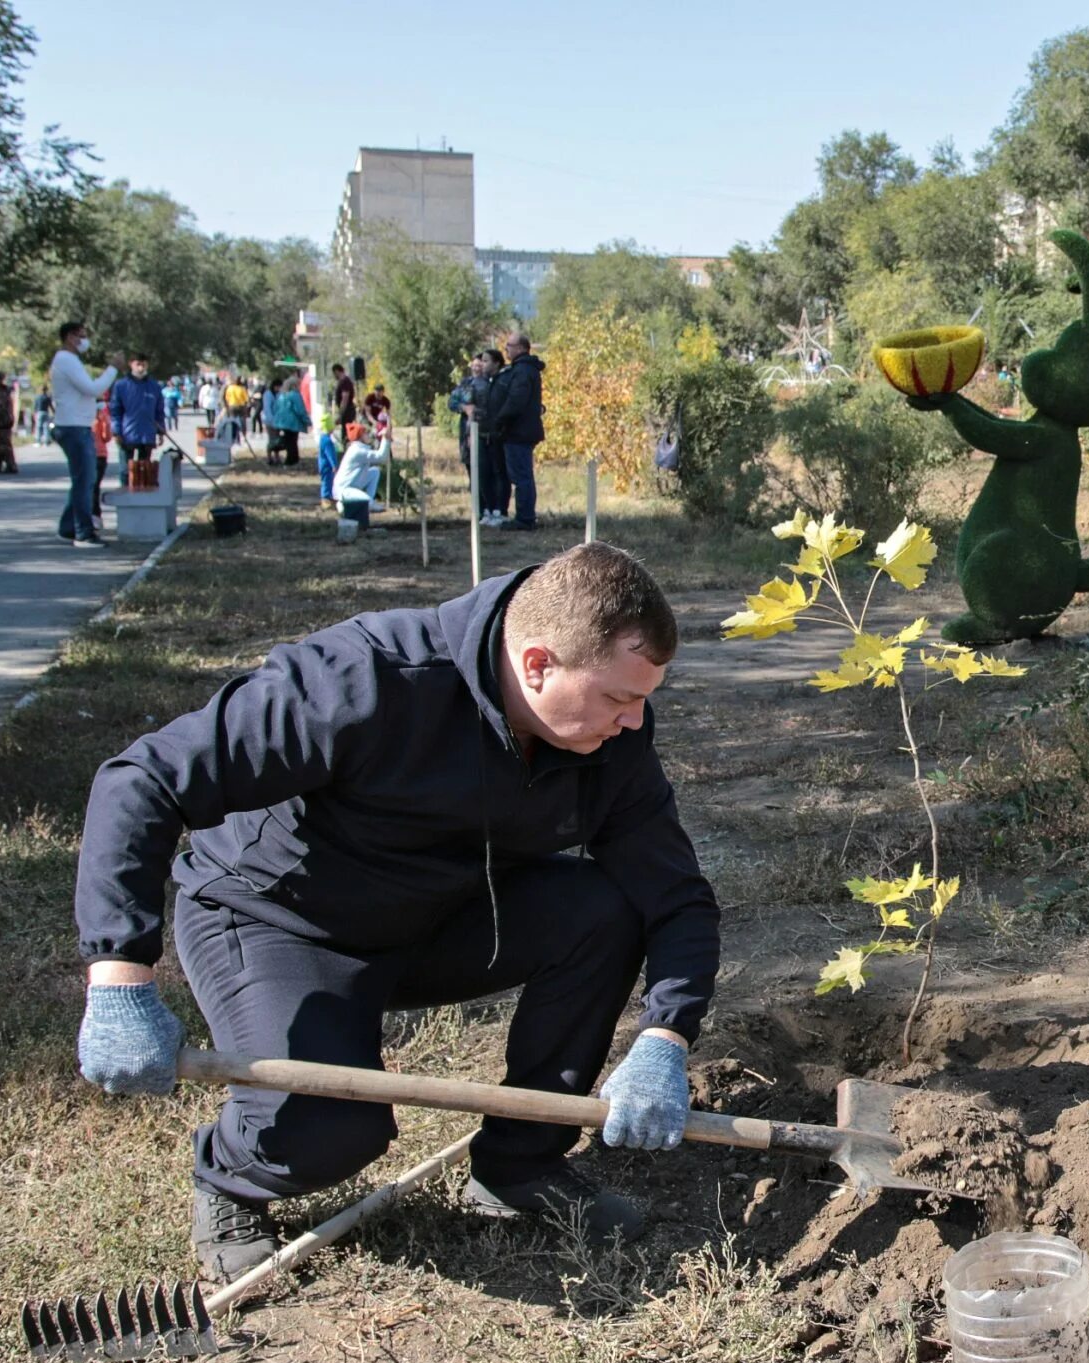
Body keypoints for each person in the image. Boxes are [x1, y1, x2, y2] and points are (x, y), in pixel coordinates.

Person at [73, 543, 719, 1281]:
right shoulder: (365, 679)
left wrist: (666, 1034)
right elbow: (142, 780)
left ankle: (519, 1164)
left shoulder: (612, 745)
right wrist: (119, 974)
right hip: (278, 920)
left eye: (645, 699)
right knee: (331, 1133)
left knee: (606, 910)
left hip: (439, 918)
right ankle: (230, 1175)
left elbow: (677, 897)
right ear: (538, 664)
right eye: (618, 699)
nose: (636, 722)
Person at [49, 321, 121, 547]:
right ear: (70, 337)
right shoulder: (66, 360)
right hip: (73, 427)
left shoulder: (69, 360)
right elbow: (93, 389)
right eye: (82, 335)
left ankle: (68, 527)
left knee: (83, 479)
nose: (85, 340)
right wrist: (113, 368)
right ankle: (83, 533)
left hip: (76, 425)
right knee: (86, 481)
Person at [485, 333, 545, 530]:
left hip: (519, 432)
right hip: (521, 431)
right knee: (521, 475)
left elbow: (516, 400)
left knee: (521, 477)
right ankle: (524, 515)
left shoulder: (523, 371)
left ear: (520, 348)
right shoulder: (525, 369)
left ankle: (525, 518)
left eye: (509, 346)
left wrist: (500, 419)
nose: (506, 350)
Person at [450, 350, 508, 527]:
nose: (478, 367)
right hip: (471, 432)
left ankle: (497, 510)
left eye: (481, 363)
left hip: (490, 433)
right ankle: (482, 509)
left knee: (495, 472)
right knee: (476, 472)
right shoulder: (467, 383)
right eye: (475, 364)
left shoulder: (495, 382)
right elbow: (452, 402)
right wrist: (464, 407)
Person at [109, 355, 167, 487]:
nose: (141, 368)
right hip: (127, 434)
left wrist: (161, 431)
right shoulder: (121, 386)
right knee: (125, 471)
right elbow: (115, 410)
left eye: (144, 364)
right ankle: (125, 496)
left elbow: (159, 411)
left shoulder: (154, 386)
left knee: (144, 470)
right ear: (131, 364)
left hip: (147, 435)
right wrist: (116, 431)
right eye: (138, 364)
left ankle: (142, 499)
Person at [330, 420, 392, 510]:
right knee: (366, 502)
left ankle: (370, 500)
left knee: (375, 471)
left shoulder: (358, 448)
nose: (367, 435)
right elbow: (381, 457)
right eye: (365, 433)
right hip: (344, 489)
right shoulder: (358, 451)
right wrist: (385, 438)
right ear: (360, 436)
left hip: (351, 485)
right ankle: (343, 504)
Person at [266, 376, 309, 467]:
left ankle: (291, 460)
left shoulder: (282, 395)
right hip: (292, 422)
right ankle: (292, 461)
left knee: (289, 442)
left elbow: (276, 408)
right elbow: (300, 409)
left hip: (282, 423)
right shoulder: (295, 395)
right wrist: (307, 421)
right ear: (295, 385)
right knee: (293, 442)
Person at [222, 377, 251, 446]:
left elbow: (226, 398)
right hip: (241, 407)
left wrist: (227, 406)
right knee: (242, 422)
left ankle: (234, 437)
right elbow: (246, 399)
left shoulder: (230, 388)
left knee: (233, 422)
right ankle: (243, 436)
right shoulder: (242, 388)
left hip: (232, 406)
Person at [332, 365, 357, 434]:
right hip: (347, 411)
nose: (334, 376)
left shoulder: (344, 381)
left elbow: (345, 399)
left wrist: (341, 414)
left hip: (347, 412)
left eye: (334, 374)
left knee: (346, 434)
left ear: (337, 371)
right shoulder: (345, 381)